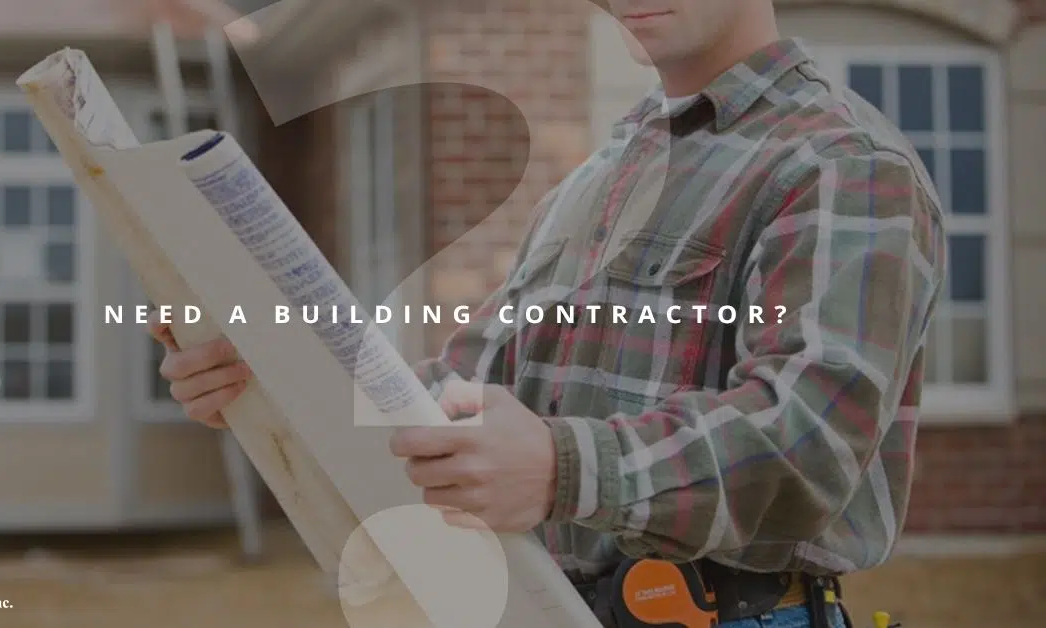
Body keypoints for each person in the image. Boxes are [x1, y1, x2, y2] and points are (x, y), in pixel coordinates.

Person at [148, 1, 946, 626]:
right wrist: (276, 373)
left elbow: (810, 443)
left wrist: (563, 469)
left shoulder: (840, 164)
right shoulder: (595, 182)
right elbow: (458, 397)